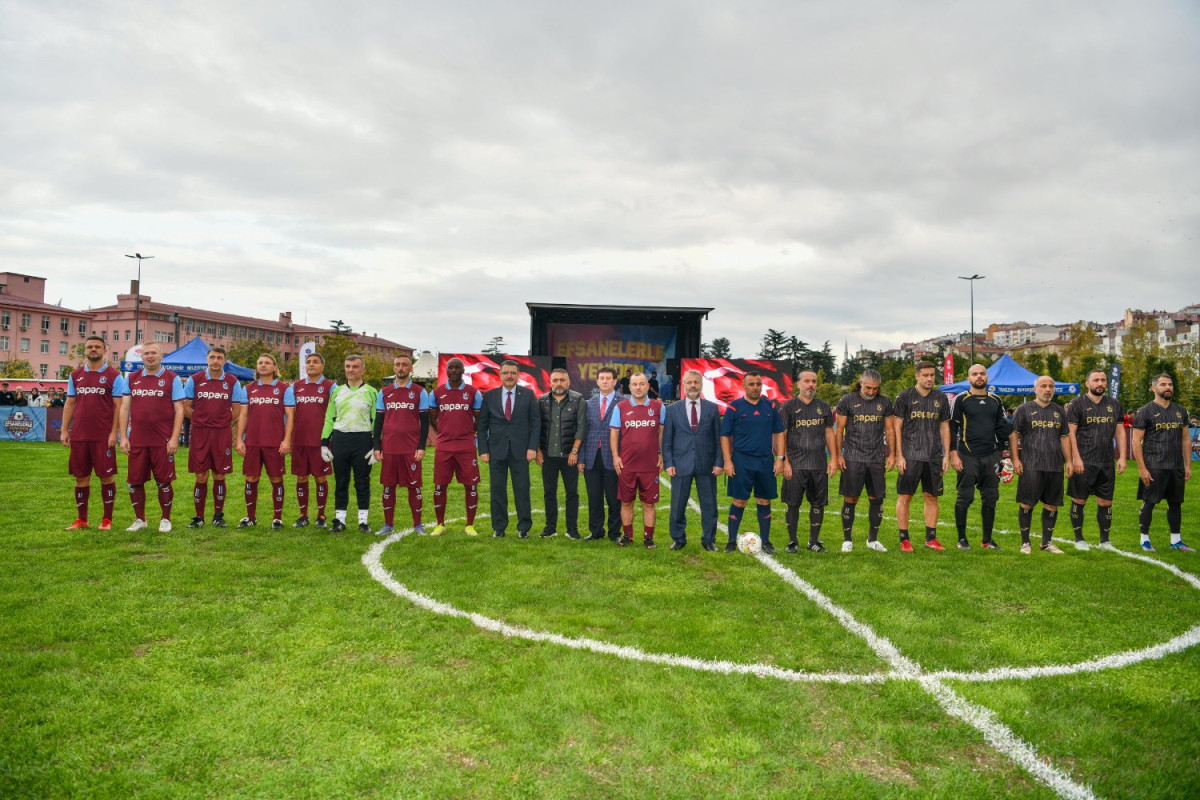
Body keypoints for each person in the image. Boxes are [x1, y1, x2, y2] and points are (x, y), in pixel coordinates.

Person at [118, 341, 184, 532]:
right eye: (146, 353)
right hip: (138, 440)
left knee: (164, 480)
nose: (150, 356)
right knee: (135, 481)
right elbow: (124, 407)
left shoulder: (172, 378)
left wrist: (174, 438)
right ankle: (140, 519)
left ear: (161, 356)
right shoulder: (132, 378)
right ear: (142, 357)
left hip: (162, 441)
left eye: (154, 353)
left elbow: (179, 410)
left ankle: (165, 519)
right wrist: (124, 436)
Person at [62, 335, 126, 530]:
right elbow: (70, 402)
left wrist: (114, 433)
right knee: (81, 477)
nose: (93, 350)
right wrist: (65, 429)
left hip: (103, 436)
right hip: (80, 436)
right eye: (90, 347)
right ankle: (82, 520)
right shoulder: (76, 375)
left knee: (106, 477)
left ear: (104, 350)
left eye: (97, 347)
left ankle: (107, 520)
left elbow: (118, 406)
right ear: (85, 350)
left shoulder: (114, 376)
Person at [720, 371, 786, 554]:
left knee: (764, 500)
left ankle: (766, 541)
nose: (755, 387)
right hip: (741, 460)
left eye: (758, 384)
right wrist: (727, 461)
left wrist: (780, 458)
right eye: (751, 384)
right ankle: (731, 541)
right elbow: (725, 435)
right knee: (739, 500)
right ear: (744, 386)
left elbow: (779, 432)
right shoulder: (734, 407)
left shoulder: (770, 406)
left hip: (765, 460)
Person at [183, 345, 248, 529]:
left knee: (220, 474)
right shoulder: (194, 380)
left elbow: (236, 410)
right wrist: (202, 419)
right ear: (207, 359)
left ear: (225, 361)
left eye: (219, 358)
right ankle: (199, 517)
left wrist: (219, 421)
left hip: (222, 433)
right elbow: (186, 407)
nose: (215, 361)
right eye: (212, 357)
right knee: (201, 475)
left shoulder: (232, 381)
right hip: (200, 433)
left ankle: (218, 516)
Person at [949, 364, 1012, 550]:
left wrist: (1005, 455)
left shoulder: (995, 400)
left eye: (982, 373)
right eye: (975, 374)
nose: (979, 377)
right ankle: (962, 540)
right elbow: (952, 428)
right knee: (965, 497)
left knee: (991, 497)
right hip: (967, 454)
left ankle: (987, 540)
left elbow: (1001, 426)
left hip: (991, 455)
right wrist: (954, 454)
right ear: (969, 378)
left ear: (987, 377)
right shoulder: (961, 399)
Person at [1009, 376, 1073, 554]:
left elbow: (1064, 437)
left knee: (1052, 504)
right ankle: (1025, 543)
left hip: (1054, 465)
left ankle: (1046, 542)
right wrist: (1016, 459)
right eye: (1043, 386)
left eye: (1051, 386)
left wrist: (1069, 460)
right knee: (1027, 503)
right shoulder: (1024, 409)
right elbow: (1014, 435)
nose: (1047, 389)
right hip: (1031, 464)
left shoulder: (1059, 411)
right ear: (1035, 389)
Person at [477, 360, 540, 537]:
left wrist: (532, 447)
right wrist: (483, 449)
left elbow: (536, 424)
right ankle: (499, 527)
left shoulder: (528, 395)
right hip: (496, 451)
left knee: (522, 490)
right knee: (497, 491)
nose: (509, 376)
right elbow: (482, 425)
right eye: (506, 373)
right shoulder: (489, 396)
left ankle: (524, 528)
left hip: (521, 451)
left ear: (518, 375)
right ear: (500, 375)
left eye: (513, 372)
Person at [662, 368, 723, 551]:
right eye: (689, 382)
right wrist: (669, 463)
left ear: (701, 385)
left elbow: (718, 438)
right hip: (681, 464)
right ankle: (678, 539)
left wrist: (719, 462)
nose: (693, 385)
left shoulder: (712, 409)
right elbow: (667, 440)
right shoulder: (672, 410)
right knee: (677, 505)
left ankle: (709, 540)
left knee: (709, 505)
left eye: (696, 382)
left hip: (707, 464)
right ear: (684, 385)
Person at [893, 361, 951, 552]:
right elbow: (897, 427)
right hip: (910, 455)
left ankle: (931, 539)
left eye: (932, 375)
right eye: (925, 375)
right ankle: (904, 539)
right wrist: (899, 456)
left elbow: (944, 427)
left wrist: (946, 455)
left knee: (932, 497)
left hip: (933, 456)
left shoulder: (941, 397)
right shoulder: (904, 396)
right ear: (917, 376)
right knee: (905, 497)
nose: (929, 379)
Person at [1131, 374, 1193, 552]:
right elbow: (1136, 442)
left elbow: (1186, 440)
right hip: (1154, 465)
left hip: (1176, 465)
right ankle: (1145, 540)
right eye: (1163, 384)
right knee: (1149, 502)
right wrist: (1142, 469)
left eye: (1170, 384)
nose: (1168, 387)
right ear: (1153, 388)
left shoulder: (1180, 411)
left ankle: (1176, 541)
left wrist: (1187, 465)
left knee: (1175, 503)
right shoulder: (1145, 411)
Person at [1066, 368, 1126, 551]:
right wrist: (1076, 458)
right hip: (1084, 461)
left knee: (1106, 503)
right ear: (1087, 383)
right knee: (1079, 500)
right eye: (1096, 380)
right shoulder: (1077, 404)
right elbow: (1071, 433)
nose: (1100, 383)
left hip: (1106, 462)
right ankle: (1079, 539)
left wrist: (1122, 456)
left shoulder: (1114, 405)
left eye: (1103, 380)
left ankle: (1105, 541)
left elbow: (1120, 431)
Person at [834, 369, 894, 553]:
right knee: (851, 498)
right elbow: (839, 429)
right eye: (868, 387)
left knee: (877, 499)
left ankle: (872, 540)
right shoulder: (847, 401)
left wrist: (892, 454)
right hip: (853, 457)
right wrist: (838, 455)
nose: (871, 392)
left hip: (876, 458)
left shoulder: (884, 402)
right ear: (861, 382)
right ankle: (847, 540)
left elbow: (890, 430)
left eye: (875, 389)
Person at [373, 354, 431, 536]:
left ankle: (418, 524)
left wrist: (421, 446)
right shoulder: (384, 392)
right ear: (393, 368)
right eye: (397, 364)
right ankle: (388, 524)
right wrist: (377, 446)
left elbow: (425, 421)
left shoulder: (420, 392)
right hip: (389, 447)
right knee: (388, 486)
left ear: (411, 368)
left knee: (414, 486)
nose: (401, 368)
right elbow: (378, 421)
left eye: (404, 365)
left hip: (410, 448)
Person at [780, 370, 837, 553]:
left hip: (818, 464)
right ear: (798, 384)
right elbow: (782, 435)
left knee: (818, 504)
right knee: (793, 504)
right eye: (807, 381)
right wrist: (785, 461)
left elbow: (829, 433)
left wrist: (834, 458)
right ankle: (792, 542)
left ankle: (814, 541)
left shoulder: (823, 407)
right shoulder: (788, 407)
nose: (811, 384)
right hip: (795, 465)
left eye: (814, 381)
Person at [321, 354, 378, 533]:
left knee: (362, 482)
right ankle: (340, 520)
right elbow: (329, 417)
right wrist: (324, 443)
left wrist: (377, 446)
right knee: (341, 481)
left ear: (363, 370)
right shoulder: (337, 391)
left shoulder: (371, 391)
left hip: (363, 440)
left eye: (355, 366)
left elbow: (377, 420)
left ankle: (363, 522)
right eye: (348, 366)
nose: (351, 370)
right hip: (340, 440)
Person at [236, 354, 293, 531]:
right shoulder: (248, 389)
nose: (263, 365)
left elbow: (290, 416)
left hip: (275, 442)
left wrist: (286, 440)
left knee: (276, 478)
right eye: (260, 363)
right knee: (251, 478)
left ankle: (277, 518)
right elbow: (243, 415)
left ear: (275, 368)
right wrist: (239, 439)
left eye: (267, 363)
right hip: (253, 441)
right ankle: (251, 517)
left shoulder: (285, 389)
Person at [610, 372, 666, 548]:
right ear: (629, 387)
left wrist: (662, 454)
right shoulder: (620, 407)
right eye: (634, 384)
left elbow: (663, 432)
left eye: (642, 384)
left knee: (649, 504)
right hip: (627, 464)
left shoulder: (658, 407)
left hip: (650, 465)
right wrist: (615, 457)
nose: (638, 387)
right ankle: (628, 537)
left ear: (648, 386)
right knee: (627, 502)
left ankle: (648, 539)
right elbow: (614, 432)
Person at [430, 357, 483, 536]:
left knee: (471, 485)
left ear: (463, 371)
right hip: (444, 446)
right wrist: (443, 432)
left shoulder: (473, 392)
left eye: (457, 367)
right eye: (451, 367)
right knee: (440, 485)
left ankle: (470, 525)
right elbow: (433, 417)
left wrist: (467, 431)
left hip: (466, 446)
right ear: (446, 370)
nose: (454, 370)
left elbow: (478, 417)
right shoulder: (436, 393)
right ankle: (440, 525)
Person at [284, 352, 335, 528]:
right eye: (308, 362)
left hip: (321, 442)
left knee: (321, 478)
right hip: (300, 440)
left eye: (315, 362)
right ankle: (303, 515)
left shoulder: (331, 387)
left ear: (322, 366)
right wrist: (288, 439)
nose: (311, 364)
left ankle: (321, 516)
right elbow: (289, 416)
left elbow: (335, 414)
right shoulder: (294, 387)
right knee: (301, 478)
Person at [536, 368, 586, 539]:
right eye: (555, 380)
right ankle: (550, 527)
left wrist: (574, 451)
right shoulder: (542, 400)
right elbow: (537, 428)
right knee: (549, 492)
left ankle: (572, 528)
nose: (559, 383)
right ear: (550, 382)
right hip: (548, 455)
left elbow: (581, 427)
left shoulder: (578, 399)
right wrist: (538, 451)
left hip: (568, 456)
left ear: (568, 382)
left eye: (562, 380)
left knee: (572, 492)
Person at [580, 367, 623, 542]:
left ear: (615, 381)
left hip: (612, 456)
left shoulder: (622, 403)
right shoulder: (588, 403)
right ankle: (596, 531)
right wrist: (581, 458)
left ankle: (614, 533)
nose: (605, 381)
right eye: (602, 378)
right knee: (594, 497)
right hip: (591, 457)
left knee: (614, 498)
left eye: (608, 378)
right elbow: (582, 432)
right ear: (597, 381)